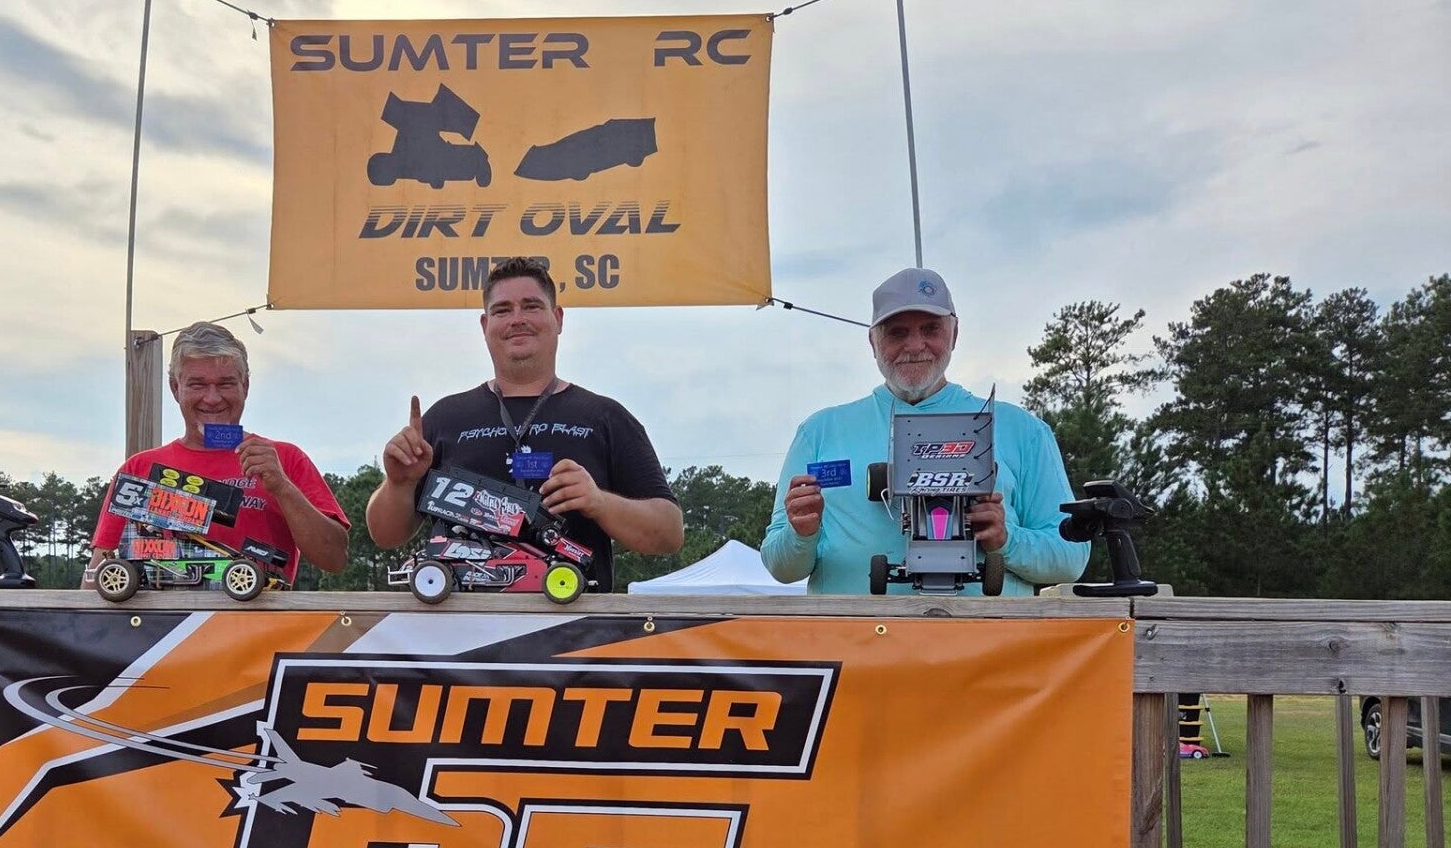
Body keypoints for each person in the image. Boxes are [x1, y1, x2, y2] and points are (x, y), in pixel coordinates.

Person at [761, 268, 1087, 595]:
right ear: (873, 341)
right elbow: (780, 565)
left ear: (954, 333)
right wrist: (800, 534)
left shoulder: (1022, 430)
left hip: (986, 630)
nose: (915, 345)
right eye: (897, 333)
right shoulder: (820, 432)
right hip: (857, 628)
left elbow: (1071, 556)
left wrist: (1007, 540)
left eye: (931, 329)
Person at [364, 256, 683, 590]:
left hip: (574, 618)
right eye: (503, 310)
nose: (517, 319)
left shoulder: (605, 417)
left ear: (558, 318)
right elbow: (385, 535)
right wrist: (399, 484)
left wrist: (601, 503)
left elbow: (669, 534)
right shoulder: (445, 418)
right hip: (459, 621)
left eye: (531, 306)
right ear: (485, 325)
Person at [89, 321, 349, 583]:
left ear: (245, 386)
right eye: (197, 385)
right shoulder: (139, 469)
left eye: (225, 384)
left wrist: (282, 488)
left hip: (260, 608)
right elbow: (100, 572)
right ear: (175, 388)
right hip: (164, 608)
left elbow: (334, 559)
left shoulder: (284, 459)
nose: (212, 398)